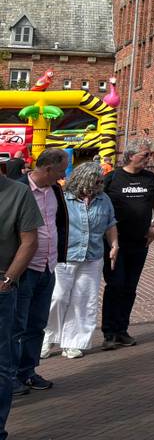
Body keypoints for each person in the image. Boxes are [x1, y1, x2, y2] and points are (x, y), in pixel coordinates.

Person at [41, 163, 116, 360]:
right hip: (65, 254)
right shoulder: (63, 198)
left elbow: (110, 223)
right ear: (82, 179)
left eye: (100, 181)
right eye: (95, 181)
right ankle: (47, 337)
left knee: (83, 299)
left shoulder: (103, 199)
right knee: (58, 296)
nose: (98, 185)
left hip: (92, 256)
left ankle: (74, 341)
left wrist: (114, 245)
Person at [11, 149, 67, 395]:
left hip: (48, 265)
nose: (63, 175)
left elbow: (59, 223)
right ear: (47, 169)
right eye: (61, 170)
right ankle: (9, 375)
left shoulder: (55, 190)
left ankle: (27, 371)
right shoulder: (18, 189)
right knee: (16, 325)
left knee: (37, 323)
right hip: (24, 269)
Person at [101, 141, 154, 350]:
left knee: (130, 287)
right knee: (115, 285)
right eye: (145, 154)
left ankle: (122, 330)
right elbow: (99, 203)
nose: (148, 158)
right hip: (114, 243)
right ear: (130, 156)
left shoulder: (150, 178)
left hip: (140, 241)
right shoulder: (112, 178)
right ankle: (109, 332)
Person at [0, 172, 41, 439]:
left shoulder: (18, 193)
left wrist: (7, 280)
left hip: (1, 288)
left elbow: (29, 242)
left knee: (1, 365)